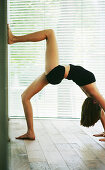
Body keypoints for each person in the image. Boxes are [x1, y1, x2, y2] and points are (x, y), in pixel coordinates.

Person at [8, 25, 105, 141]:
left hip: (57, 72)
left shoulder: (94, 94)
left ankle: (13, 39)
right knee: (25, 97)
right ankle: (30, 132)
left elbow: (102, 110)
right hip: (56, 73)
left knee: (49, 33)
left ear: (96, 103)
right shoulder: (93, 96)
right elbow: (101, 113)